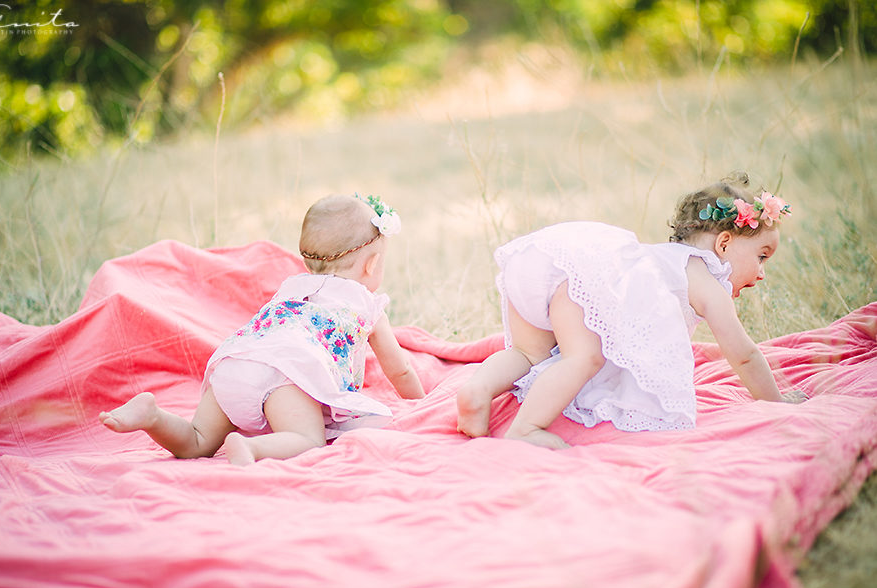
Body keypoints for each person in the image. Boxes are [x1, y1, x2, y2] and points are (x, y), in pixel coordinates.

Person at [456, 171, 806, 450]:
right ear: (724, 243)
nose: (762, 272)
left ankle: (478, 390)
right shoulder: (705, 280)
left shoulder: (663, 263)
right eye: (761, 256)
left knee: (528, 353)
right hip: (579, 271)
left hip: (545, 257)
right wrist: (776, 402)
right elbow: (743, 355)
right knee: (583, 358)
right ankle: (526, 429)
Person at [100, 193, 424, 465]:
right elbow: (402, 372)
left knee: (197, 442)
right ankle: (252, 449)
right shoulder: (365, 305)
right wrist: (422, 405)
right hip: (284, 376)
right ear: (371, 264)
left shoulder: (292, 287)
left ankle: (153, 417)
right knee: (307, 440)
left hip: (234, 363)